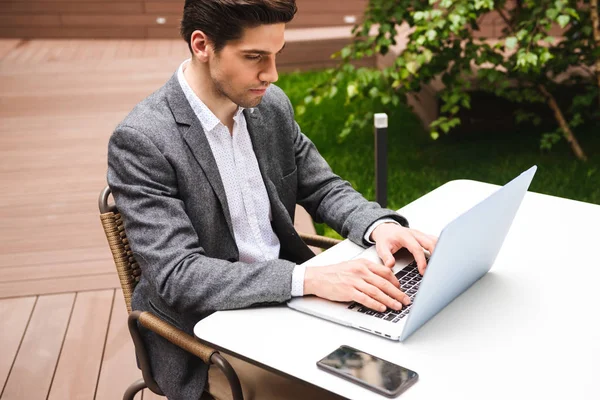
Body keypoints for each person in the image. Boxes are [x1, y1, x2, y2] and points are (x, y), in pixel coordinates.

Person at [107, 0, 437, 398]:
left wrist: (378, 226)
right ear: (201, 45)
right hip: (207, 336)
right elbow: (180, 276)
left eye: (276, 55)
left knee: (405, 369)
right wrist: (309, 279)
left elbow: (321, 186)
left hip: (292, 304)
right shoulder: (144, 141)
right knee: (348, 390)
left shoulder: (270, 106)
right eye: (254, 57)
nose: (272, 74)